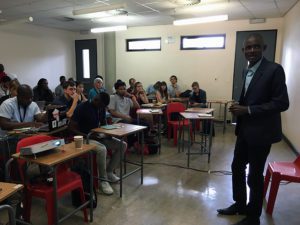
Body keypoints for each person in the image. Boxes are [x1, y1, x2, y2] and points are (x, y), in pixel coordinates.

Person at [217, 33, 289, 225]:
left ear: (264, 48)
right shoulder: (246, 70)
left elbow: (282, 103)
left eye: (256, 47)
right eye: (248, 48)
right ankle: (240, 204)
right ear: (243, 51)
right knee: (236, 167)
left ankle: (253, 215)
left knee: (255, 174)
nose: (251, 51)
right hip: (245, 131)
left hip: (262, 132)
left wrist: (247, 110)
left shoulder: (274, 70)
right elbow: (250, 97)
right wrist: (239, 107)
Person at [69, 92, 127, 195]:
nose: (102, 109)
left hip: (97, 136)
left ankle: (109, 171)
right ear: (95, 100)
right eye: (101, 106)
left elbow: (103, 124)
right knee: (102, 149)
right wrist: (89, 136)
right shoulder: (82, 108)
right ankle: (102, 181)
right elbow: (71, 128)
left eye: (103, 107)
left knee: (122, 145)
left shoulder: (101, 107)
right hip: (84, 138)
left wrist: (109, 133)